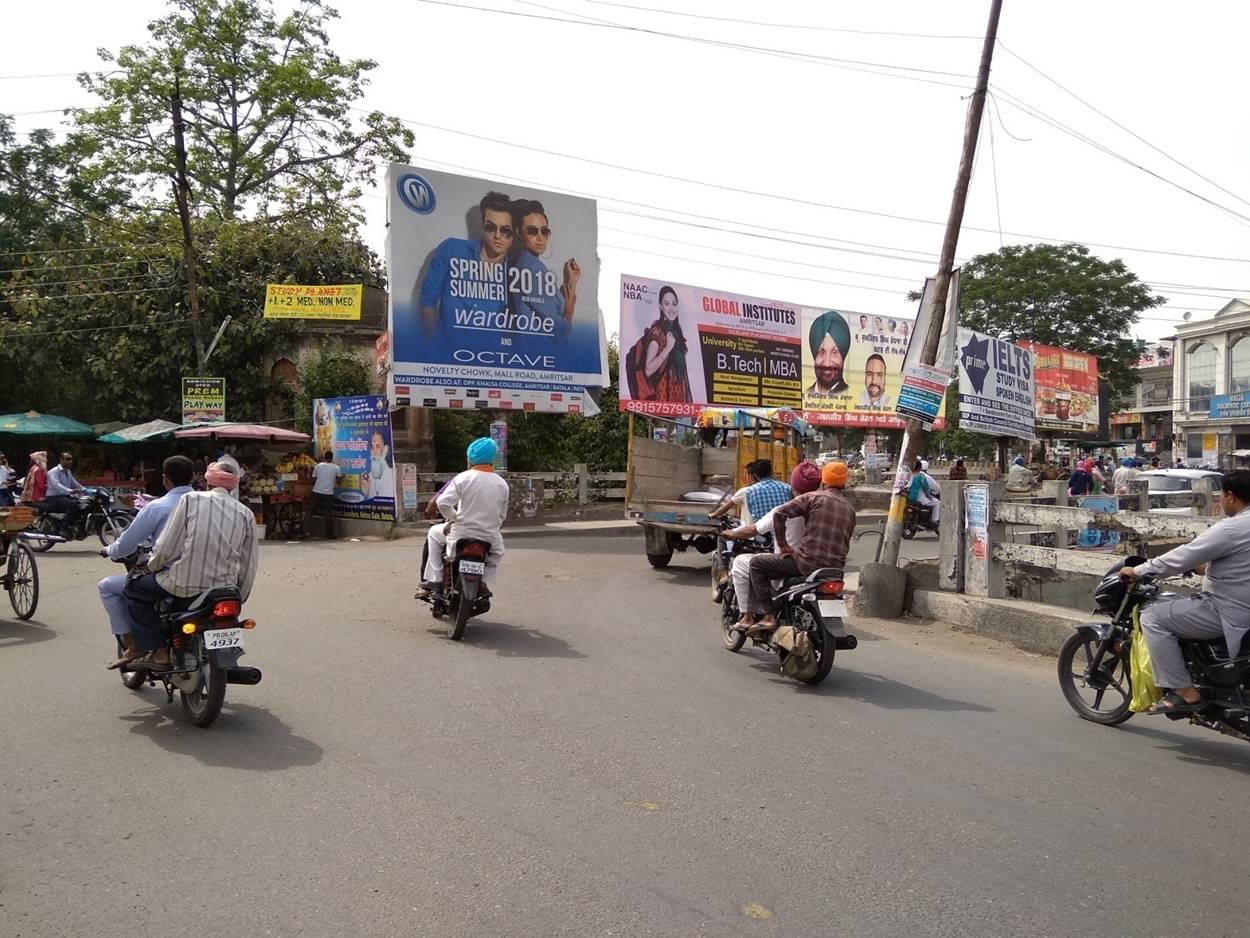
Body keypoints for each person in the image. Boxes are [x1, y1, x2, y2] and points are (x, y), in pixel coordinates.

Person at [1120, 469, 1250, 715]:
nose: (1220, 501)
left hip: (1229, 610)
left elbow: (1183, 555)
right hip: (1241, 603)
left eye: (1221, 496)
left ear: (1230, 496)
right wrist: (1205, 568)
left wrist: (1137, 570)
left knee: (1152, 617)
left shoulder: (1231, 528)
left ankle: (1184, 691)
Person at [122, 462, 259, 670]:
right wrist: (239, 594)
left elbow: (167, 546)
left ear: (207, 481)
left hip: (183, 584)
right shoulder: (246, 513)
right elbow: (249, 563)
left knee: (133, 588)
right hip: (224, 590)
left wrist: (151, 566)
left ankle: (158, 652)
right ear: (233, 486)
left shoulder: (191, 500)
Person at [102, 456, 195, 669]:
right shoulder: (208, 505)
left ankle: (144, 647)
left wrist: (109, 550)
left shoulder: (158, 507)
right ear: (193, 477)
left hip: (174, 577)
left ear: (165, 479)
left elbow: (126, 544)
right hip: (217, 577)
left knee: (125, 587)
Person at [746, 461, 857, 640]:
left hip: (806, 564)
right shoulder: (850, 509)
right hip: (835, 570)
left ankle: (768, 616)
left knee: (756, 563)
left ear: (823, 481)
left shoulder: (813, 498)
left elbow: (779, 514)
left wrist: (783, 545)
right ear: (843, 484)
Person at [723, 461, 821, 631]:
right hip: (822, 562)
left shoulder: (784, 509)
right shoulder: (826, 509)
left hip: (791, 562)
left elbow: (751, 530)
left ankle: (751, 616)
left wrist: (731, 534)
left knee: (743, 562)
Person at [416, 437, 510, 599]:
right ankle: (483, 582)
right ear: (492, 459)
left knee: (433, 534)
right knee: (496, 555)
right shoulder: (502, 484)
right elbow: (502, 516)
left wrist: (455, 517)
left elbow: (443, 503)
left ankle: (435, 580)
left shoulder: (463, 478)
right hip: (488, 537)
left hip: (460, 534)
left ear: (470, 459)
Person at [419, 190, 514, 333]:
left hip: (493, 346)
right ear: (482, 226)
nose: (497, 235)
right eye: (490, 227)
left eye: (505, 230)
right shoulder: (451, 250)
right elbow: (427, 301)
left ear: (513, 233)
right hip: (450, 345)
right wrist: (435, 345)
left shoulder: (517, 273)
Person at [511, 198, 579, 335]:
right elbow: (560, 330)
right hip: (537, 346)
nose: (540, 237)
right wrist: (569, 311)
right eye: (532, 231)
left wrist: (570, 281)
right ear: (519, 233)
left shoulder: (531, 266)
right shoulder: (532, 269)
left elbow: (552, 310)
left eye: (544, 231)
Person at [626, 285, 692, 403]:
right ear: (660, 306)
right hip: (663, 399)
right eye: (666, 304)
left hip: (680, 401)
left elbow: (683, 375)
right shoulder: (657, 332)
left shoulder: (676, 333)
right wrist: (668, 348)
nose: (671, 308)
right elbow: (648, 369)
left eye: (674, 304)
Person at [709, 459, 791, 524]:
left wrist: (712, 515)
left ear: (755, 476)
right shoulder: (787, 487)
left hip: (753, 533)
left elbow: (723, 510)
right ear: (771, 473)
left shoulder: (747, 491)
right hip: (783, 530)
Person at [806, 311, 851, 397]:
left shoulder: (851, 394)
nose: (827, 364)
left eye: (834, 352)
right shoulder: (805, 394)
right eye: (822, 352)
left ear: (843, 356)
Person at [45, 451, 85, 533]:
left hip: (65, 496)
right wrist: (70, 490)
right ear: (61, 459)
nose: (70, 461)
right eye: (67, 459)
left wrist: (87, 490)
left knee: (83, 504)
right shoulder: (54, 471)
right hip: (54, 497)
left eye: (71, 459)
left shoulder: (68, 471)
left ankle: (77, 526)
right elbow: (56, 485)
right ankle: (65, 527)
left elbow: (75, 483)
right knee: (72, 505)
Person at [306, 451, 342, 540]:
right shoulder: (336, 468)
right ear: (332, 458)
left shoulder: (318, 466)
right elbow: (338, 482)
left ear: (324, 457)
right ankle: (330, 535)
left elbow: (313, 480)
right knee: (328, 514)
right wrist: (342, 477)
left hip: (316, 492)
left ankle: (305, 530)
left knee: (309, 511)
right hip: (328, 494)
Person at [361, 430, 395, 500]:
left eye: (377, 446)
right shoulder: (369, 477)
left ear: (385, 450)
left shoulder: (393, 475)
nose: (374, 451)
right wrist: (366, 492)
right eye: (372, 446)